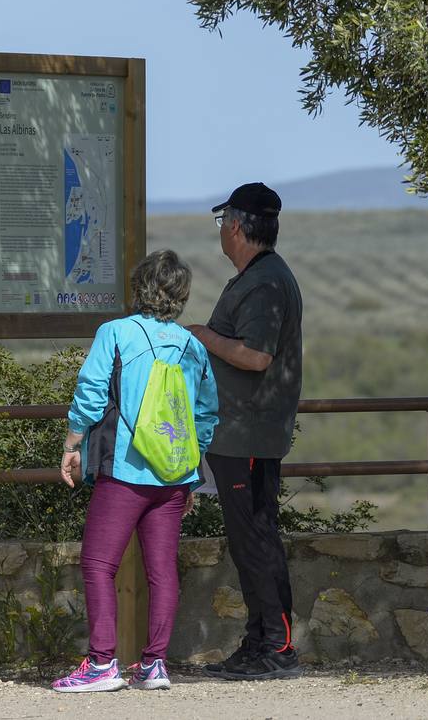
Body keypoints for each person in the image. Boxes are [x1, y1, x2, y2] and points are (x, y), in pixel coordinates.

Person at [51, 249, 219, 693]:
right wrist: (189, 466)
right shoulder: (193, 346)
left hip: (125, 469)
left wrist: (72, 444)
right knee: (161, 570)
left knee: (97, 563)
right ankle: (154, 665)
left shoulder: (115, 333)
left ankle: (102, 663)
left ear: (140, 286)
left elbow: (91, 392)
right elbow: (205, 414)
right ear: (181, 294)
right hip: (174, 476)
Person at [186, 182, 304, 681]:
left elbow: (256, 357)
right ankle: (259, 643)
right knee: (249, 539)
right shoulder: (259, 276)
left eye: (222, 222)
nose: (221, 231)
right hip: (238, 433)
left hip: (248, 434)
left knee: (255, 539)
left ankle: (277, 647)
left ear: (235, 226)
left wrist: (202, 336)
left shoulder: (264, 283)